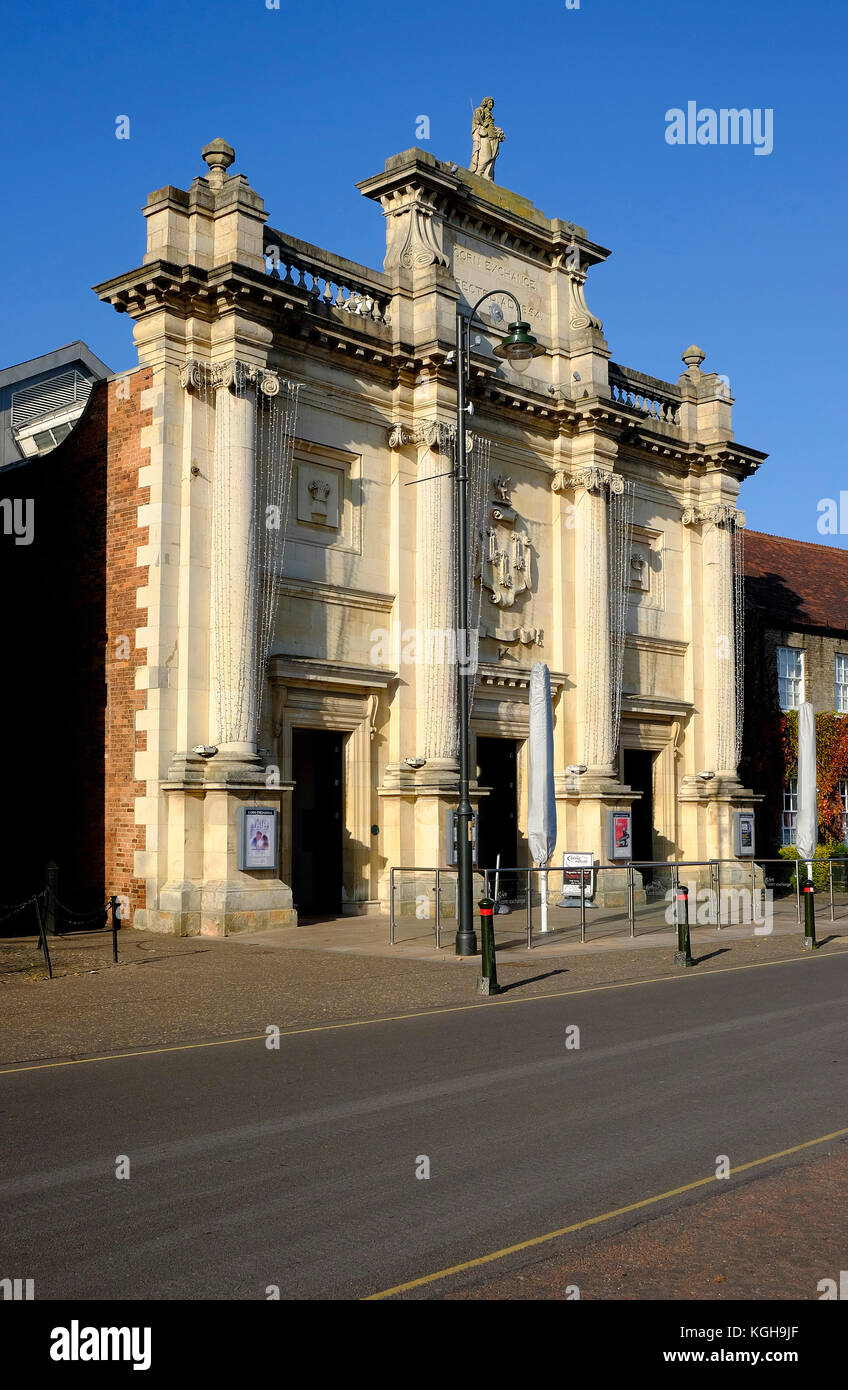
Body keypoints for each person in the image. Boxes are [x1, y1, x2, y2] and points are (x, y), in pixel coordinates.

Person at [470, 97, 505, 181]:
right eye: (490, 103)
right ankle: (478, 172)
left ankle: (487, 176)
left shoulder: (489, 113)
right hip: (485, 135)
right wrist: (483, 123)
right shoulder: (481, 110)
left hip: (492, 136)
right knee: (486, 156)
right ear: (485, 103)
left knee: (493, 156)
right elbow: (477, 114)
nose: (492, 105)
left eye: (492, 103)